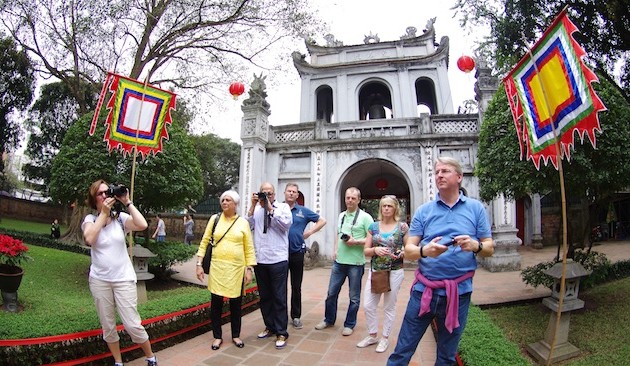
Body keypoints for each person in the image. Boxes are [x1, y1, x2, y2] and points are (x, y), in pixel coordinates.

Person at [387, 157, 494, 366]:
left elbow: (489, 247)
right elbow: (408, 251)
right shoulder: (424, 210)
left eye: (445, 171)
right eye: (437, 172)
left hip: (459, 293)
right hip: (424, 291)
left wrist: (475, 246)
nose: (439, 175)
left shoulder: (476, 208)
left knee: (446, 356)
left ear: (459, 177)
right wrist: (424, 251)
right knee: (402, 351)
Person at [81, 179, 158, 366]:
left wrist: (127, 202)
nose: (105, 195)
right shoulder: (90, 220)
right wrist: (104, 214)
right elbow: (90, 238)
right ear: (94, 199)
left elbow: (142, 225)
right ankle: (118, 361)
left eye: (108, 192)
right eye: (100, 193)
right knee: (108, 326)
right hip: (100, 280)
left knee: (132, 324)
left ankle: (150, 357)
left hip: (123, 279)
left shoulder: (120, 218)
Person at [195, 190, 256, 350]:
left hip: (236, 269)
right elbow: (204, 241)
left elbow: (248, 247)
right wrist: (199, 264)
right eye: (223, 200)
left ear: (235, 204)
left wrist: (249, 268)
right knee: (216, 304)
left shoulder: (243, 223)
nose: (224, 202)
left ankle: (236, 335)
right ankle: (217, 336)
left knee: (236, 304)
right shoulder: (214, 219)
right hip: (217, 268)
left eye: (228, 200)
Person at [315, 187, 373, 336]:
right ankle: (329, 319)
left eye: (353, 198)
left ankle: (350, 324)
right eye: (348, 198)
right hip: (339, 262)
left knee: (354, 297)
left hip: (356, 263)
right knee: (331, 293)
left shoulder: (366, 217)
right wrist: (335, 249)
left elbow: (371, 239)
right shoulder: (341, 215)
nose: (350, 200)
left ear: (359, 200)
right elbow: (338, 234)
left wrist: (356, 242)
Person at [358, 195, 409, 353]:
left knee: (389, 306)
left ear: (395, 209)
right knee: (368, 305)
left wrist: (401, 252)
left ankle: (385, 338)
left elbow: (409, 249)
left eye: (389, 206)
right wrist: (375, 250)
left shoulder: (402, 227)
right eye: (384, 206)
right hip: (376, 271)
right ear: (380, 208)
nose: (386, 208)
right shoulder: (373, 227)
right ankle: (373, 335)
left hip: (394, 271)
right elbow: (366, 251)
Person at [246, 182, 293, 349]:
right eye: (263, 193)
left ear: (274, 194)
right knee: (265, 297)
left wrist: (270, 209)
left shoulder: (283, 208)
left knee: (279, 297)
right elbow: (247, 225)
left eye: (269, 193)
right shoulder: (257, 210)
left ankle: (282, 332)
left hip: (278, 259)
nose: (266, 195)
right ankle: (270, 326)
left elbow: (285, 225)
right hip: (261, 259)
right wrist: (252, 206)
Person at [284, 183, 327, 329]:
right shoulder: (278, 209)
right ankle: (281, 316)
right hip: (279, 254)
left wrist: (310, 232)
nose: (291, 193)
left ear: (297, 195)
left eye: (294, 192)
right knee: (280, 287)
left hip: (297, 253)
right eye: (289, 191)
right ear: (284, 193)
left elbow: (322, 220)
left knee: (296, 286)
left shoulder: (302, 211)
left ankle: (296, 316)